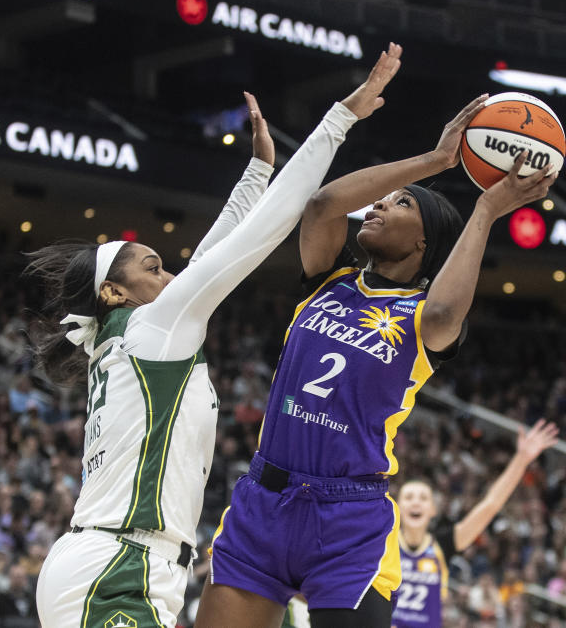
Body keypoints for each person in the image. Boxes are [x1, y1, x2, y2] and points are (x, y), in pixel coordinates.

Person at [32, 45, 404, 628]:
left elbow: (213, 255)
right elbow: (261, 232)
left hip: (119, 562)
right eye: (154, 267)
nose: (171, 274)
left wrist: (256, 171)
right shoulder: (153, 327)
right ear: (114, 292)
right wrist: (341, 119)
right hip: (117, 567)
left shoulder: (133, 333)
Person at [196, 47, 559, 628]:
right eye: (386, 198)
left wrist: (486, 211)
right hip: (262, 501)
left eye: (401, 204)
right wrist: (437, 160)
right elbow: (321, 204)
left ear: (424, 243)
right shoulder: (327, 282)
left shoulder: (424, 316)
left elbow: (445, 305)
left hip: (348, 519)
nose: (382, 204)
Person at [393, 420, 559, 628]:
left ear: (433, 509)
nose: (416, 502)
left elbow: (490, 505)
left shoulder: (442, 543)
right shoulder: (383, 543)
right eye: (409, 497)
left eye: (423, 498)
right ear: (397, 505)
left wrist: (521, 459)